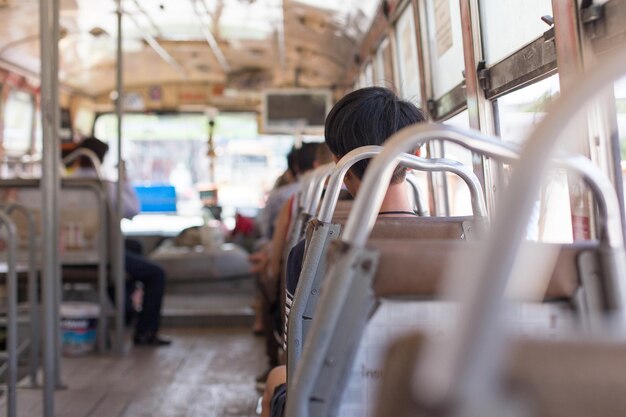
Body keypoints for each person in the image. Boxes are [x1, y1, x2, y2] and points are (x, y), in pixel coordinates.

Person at [262, 87, 426, 417]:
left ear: (339, 165)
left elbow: (300, 354)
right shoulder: (466, 245)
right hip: (429, 400)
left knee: (276, 378)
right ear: (417, 155)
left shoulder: (314, 252)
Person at [69, 137, 171, 347]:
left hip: (72, 248)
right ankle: (145, 331)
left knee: (134, 247)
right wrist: (124, 181)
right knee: (156, 273)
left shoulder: (65, 184)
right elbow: (132, 210)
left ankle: (125, 307)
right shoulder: (103, 187)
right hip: (98, 252)